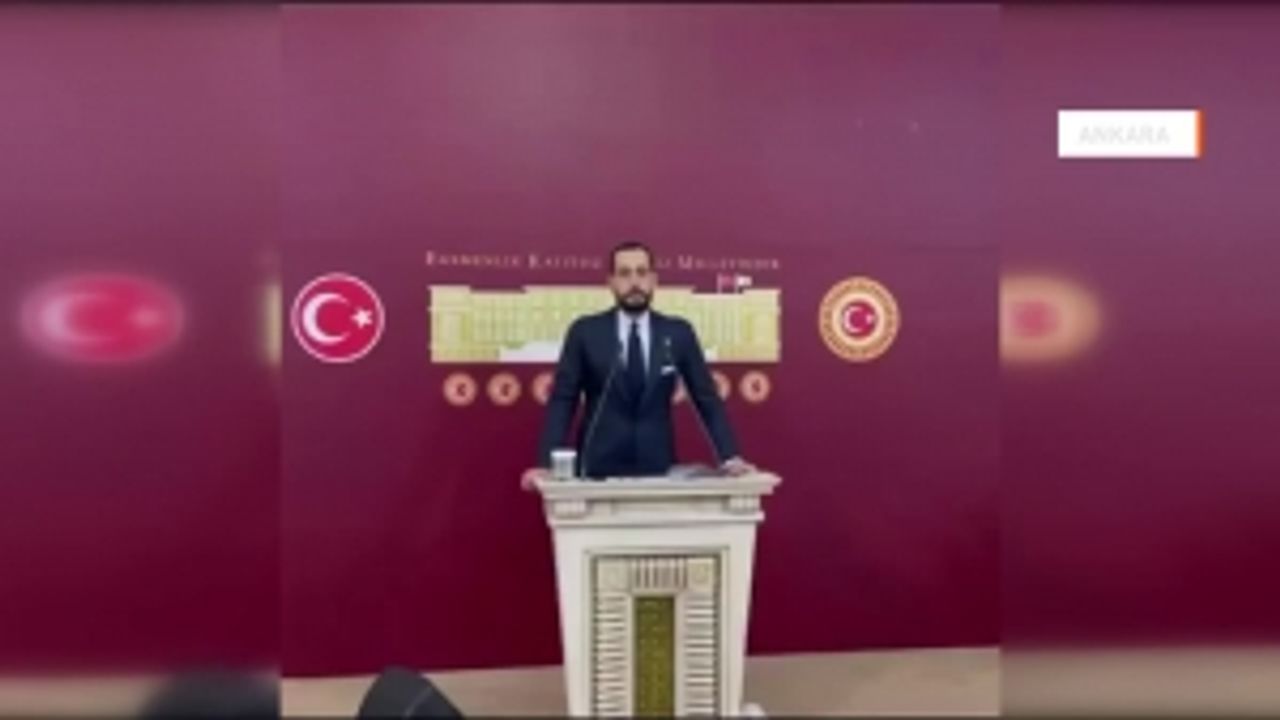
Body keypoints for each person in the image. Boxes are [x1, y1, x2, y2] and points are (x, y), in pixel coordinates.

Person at [522, 241, 754, 489]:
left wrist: (730, 457)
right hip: (596, 470)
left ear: (654, 280)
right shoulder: (585, 332)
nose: (634, 282)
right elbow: (563, 399)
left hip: (658, 468)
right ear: (611, 282)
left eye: (642, 273)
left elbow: (706, 398)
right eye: (624, 273)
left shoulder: (678, 332)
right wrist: (546, 463)